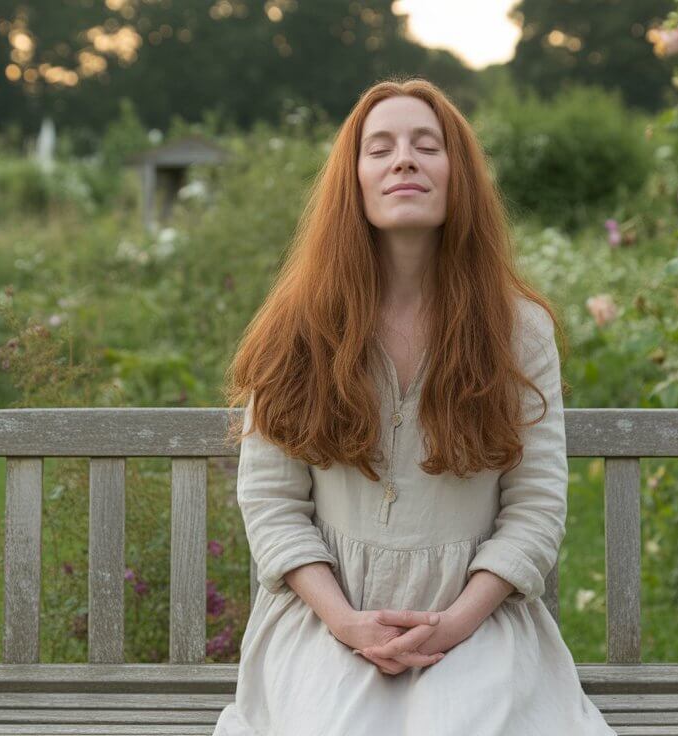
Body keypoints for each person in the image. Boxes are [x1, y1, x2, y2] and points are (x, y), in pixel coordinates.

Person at [213, 77, 615, 735]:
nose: (404, 159)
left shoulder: (517, 331)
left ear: (458, 176)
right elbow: (271, 502)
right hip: (324, 622)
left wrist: (454, 622)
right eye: (381, 148)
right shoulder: (297, 326)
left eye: (426, 145)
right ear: (355, 180)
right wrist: (346, 620)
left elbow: (536, 505)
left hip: (477, 620)